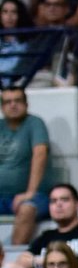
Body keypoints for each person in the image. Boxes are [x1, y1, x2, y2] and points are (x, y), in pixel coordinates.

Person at [0, 87, 49, 248]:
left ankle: (11, 262)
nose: (13, 105)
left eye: (17, 101)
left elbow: (40, 154)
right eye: (8, 102)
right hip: (2, 197)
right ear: (2, 107)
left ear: (26, 104)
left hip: (36, 195)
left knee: (27, 209)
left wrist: (30, 192)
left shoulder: (34, 123)